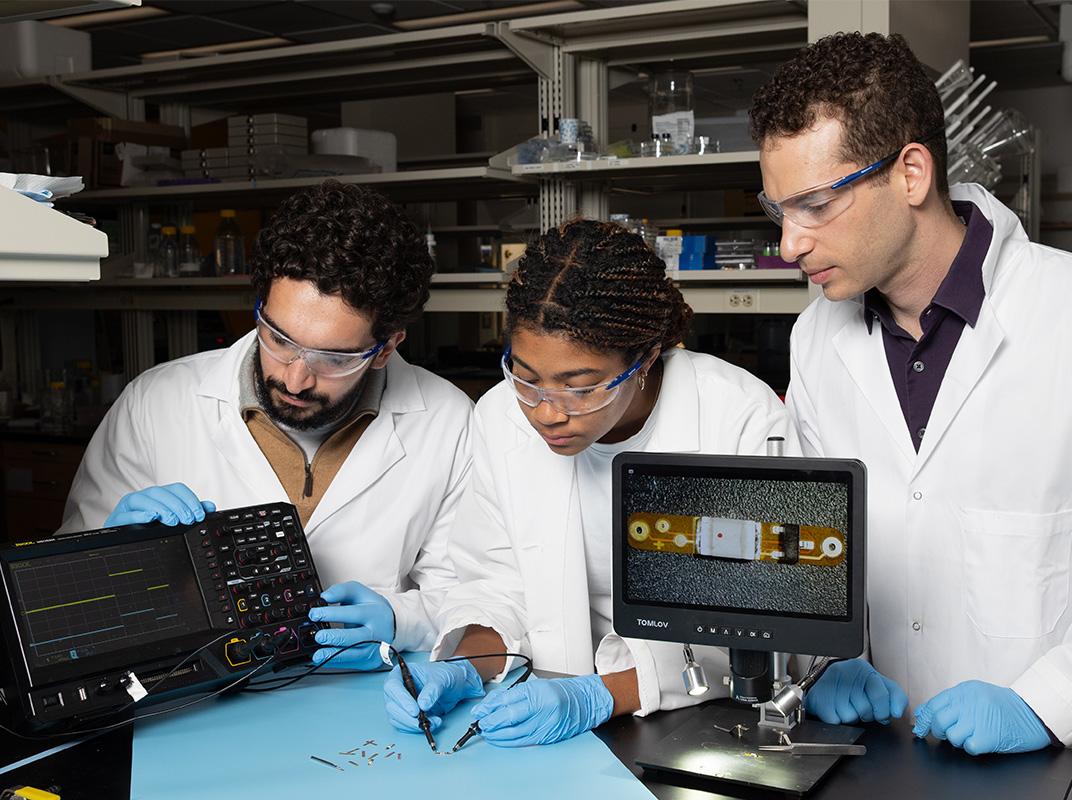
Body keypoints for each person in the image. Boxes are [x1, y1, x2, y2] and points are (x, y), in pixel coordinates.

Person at [750, 31, 1072, 799]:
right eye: (777, 209)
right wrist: (826, 657)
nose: (790, 242)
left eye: (816, 206)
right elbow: (814, 541)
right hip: (888, 764)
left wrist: (1044, 702)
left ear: (912, 172)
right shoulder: (817, 341)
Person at [382, 219, 798, 746]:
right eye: (526, 378)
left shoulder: (734, 418)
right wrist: (465, 666)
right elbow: (496, 583)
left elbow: (768, 625)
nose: (546, 412)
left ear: (645, 358)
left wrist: (599, 695)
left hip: (699, 716)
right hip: (545, 696)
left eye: (579, 387)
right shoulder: (499, 419)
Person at [61, 181, 474, 670]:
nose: (296, 378)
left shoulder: (447, 419)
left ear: (385, 348)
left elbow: (471, 591)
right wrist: (107, 554)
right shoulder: (158, 402)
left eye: (334, 358)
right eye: (279, 338)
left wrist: (401, 619)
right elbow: (64, 602)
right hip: (198, 695)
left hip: (366, 700)